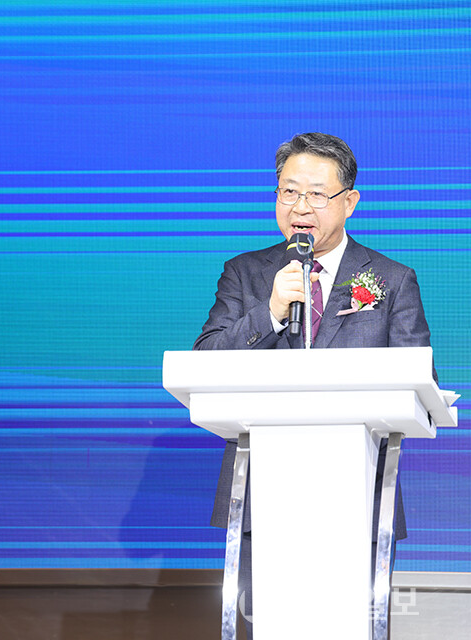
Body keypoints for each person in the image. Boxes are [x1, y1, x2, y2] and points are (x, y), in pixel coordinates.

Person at [194, 132, 434, 630]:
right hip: (262, 497)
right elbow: (205, 362)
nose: (300, 206)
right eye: (289, 191)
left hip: (356, 496)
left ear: (350, 202)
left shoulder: (391, 279)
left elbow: (421, 381)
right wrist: (271, 310)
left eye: (317, 194)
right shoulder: (245, 274)